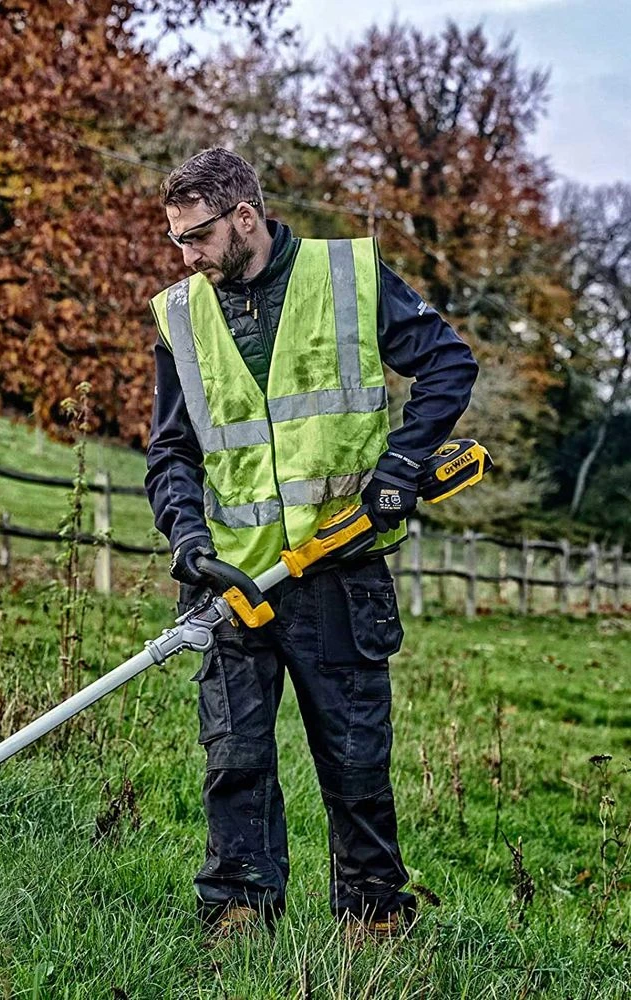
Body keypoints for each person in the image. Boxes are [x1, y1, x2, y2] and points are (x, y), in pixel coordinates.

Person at [144, 148, 479, 943]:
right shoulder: (181, 315)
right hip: (233, 578)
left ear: (245, 218)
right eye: (177, 242)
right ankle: (238, 910)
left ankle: (371, 918)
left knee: (356, 757)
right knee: (236, 758)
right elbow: (172, 452)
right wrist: (190, 541)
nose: (187, 257)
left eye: (196, 237)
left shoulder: (347, 277)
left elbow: (447, 363)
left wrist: (400, 465)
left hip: (339, 569)